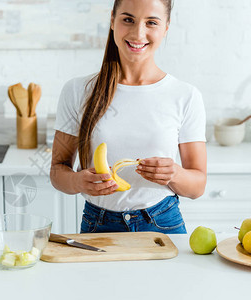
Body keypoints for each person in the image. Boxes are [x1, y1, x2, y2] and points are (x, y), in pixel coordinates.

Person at [50, 0, 207, 234]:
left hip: (162, 223)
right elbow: (57, 170)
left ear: (166, 27)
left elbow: (197, 186)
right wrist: (77, 182)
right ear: (112, 20)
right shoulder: (77, 90)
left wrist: (174, 173)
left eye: (151, 22)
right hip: (98, 224)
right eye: (128, 19)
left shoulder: (186, 95)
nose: (138, 33)